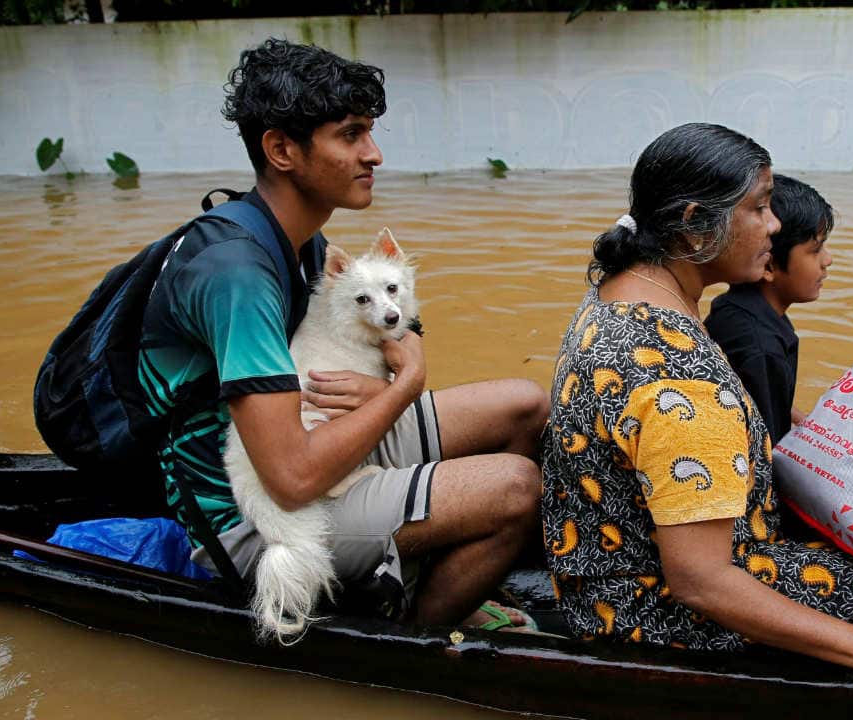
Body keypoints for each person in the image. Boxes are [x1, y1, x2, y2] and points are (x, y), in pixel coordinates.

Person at [541, 123, 853, 716]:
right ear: (698, 222)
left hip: (602, 572)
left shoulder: (616, 293)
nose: (775, 225)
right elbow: (700, 582)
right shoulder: (680, 380)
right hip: (642, 612)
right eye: (759, 207)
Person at [139, 38, 547, 630]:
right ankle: (417, 627)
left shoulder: (304, 243)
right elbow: (292, 478)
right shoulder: (236, 275)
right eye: (351, 135)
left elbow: (395, 320)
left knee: (524, 405)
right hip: (256, 517)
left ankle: (443, 568)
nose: (374, 154)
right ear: (281, 150)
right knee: (515, 487)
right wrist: (402, 390)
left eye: (370, 133)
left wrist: (390, 382)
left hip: (309, 436)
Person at [704, 175, 833, 444]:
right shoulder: (761, 347)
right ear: (769, 266)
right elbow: (766, 447)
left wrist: (803, 421)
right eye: (815, 249)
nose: (827, 260)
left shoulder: (732, 309)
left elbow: (762, 400)